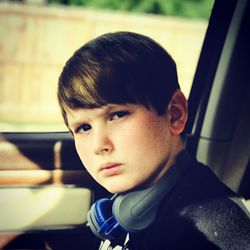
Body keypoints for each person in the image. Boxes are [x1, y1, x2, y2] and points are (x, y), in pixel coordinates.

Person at [57, 31, 250, 249]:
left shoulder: (212, 229)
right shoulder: (120, 212)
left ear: (175, 114)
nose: (99, 145)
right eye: (83, 128)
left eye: (118, 115)